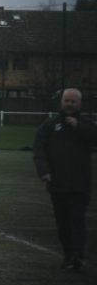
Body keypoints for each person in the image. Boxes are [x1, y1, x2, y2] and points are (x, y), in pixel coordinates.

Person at [33, 88, 97, 271]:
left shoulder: (87, 124)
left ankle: (77, 255)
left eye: (73, 101)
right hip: (58, 183)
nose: (69, 104)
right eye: (66, 101)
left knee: (77, 219)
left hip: (80, 183)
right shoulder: (50, 125)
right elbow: (39, 149)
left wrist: (79, 126)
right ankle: (69, 255)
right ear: (61, 102)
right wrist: (44, 171)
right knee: (63, 222)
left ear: (80, 104)